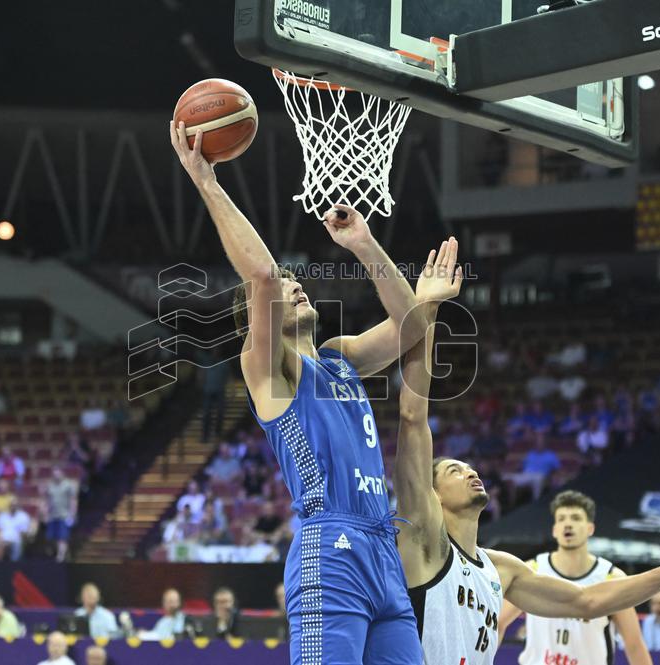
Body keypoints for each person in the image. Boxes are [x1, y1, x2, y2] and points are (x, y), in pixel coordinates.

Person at [171, 116, 458, 665]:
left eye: (295, 280)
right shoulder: (268, 371)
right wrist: (207, 179)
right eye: (285, 286)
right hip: (330, 550)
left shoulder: (340, 357)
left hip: (382, 550)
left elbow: (414, 329)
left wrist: (365, 243)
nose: (292, 283)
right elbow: (258, 275)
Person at [391, 298, 660, 665]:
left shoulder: (504, 569)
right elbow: (412, 416)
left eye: (470, 467)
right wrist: (428, 311)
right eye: (454, 470)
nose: (471, 472)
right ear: (433, 495)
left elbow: (588, 601)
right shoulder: (425, 544)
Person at [498, 491, 653, 665]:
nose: (568, 524)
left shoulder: (611, 577)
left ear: (590, 528)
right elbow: (497, 624)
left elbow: (634, 644)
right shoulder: (532, 570)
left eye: (576, 518)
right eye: (561, 519)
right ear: (555, 530)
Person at [45, 467, 77, 563]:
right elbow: (48, 500)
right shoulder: (50, 486)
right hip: (53, 516)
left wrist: (72, 514)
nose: (56, 476)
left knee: (62, 538)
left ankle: (60, 557)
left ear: (62, 473)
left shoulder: (68, 485)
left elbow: (73, 500)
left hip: (64, 515)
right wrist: (46, 512)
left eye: (58, 473)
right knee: (52, 538)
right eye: (54, 474)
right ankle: (64, 554)